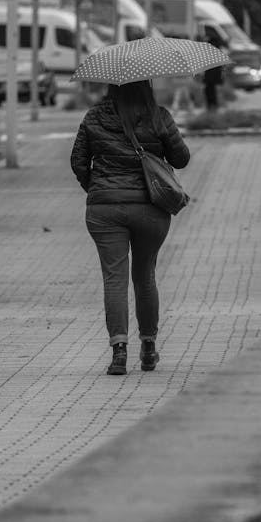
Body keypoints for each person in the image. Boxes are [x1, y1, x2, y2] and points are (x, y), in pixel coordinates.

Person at [70, 80, 190, 376]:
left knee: (115, 278)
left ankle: (119, 352)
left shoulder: (94, 117)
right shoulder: (158, 115)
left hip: (105, 209)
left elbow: (78, 161)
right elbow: (181, 159)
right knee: (145, 275)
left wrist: (97, 187)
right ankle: (148, 348)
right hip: (150, 208)